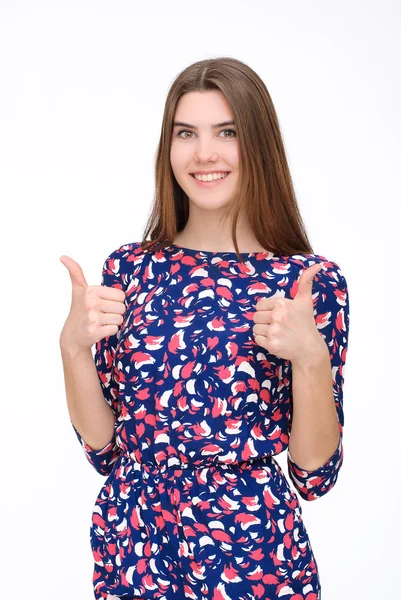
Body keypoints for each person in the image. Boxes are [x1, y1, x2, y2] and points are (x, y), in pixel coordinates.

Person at [59, 57, 350, 600]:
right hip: (136, 549)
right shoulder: (130, 269)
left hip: (251, 554)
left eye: (227, 132)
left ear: (258, 145)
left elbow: (314, 474)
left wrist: (311, 359)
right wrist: (73, 350)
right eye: (186, 133)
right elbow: (105, 450)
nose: (204, 153)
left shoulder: (306, 283)